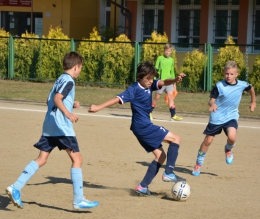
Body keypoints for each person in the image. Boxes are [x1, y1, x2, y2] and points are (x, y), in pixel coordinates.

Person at [6, 51, 99, 210]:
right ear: (76, 67)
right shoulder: (69, 81)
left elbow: (50, 100)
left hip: (49, 125)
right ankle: (78, 200)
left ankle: (15, 187)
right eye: (81, 67)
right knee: (78, 159)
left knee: (42, 159)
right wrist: (68, 113)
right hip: (62, 127)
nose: (80, 70)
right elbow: (57, 99)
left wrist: (71, 104)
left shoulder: (60, 79)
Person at [88, 61, 185, 196]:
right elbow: (117, 98)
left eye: (152, 78)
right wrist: (98, 107)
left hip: (140, 128)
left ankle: (143, 186)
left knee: (161, 156)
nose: (151, 81)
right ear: (140, 77)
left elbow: (164, 82)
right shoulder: (133, 89)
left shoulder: (149, 86)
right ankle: (168, 172)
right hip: (143, 126)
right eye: (148, 79)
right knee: (176, 138)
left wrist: (175, 80)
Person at [192, 60, 256, 176]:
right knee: (208, 140)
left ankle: (228, 149)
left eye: (231, 74)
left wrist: (253, 101)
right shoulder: (219, 86)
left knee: (232, 137)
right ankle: (198, 164)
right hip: (217, 116)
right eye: (227, 74)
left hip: (231, 115)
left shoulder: (242, 84)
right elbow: (211, 100)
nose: (229, 76)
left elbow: (251, 88)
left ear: (236, 74)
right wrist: (213, 104)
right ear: (223, 73)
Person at [150, 43, 183, 121]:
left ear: (171, 52)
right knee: (157, 97)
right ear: (164, 51)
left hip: (169, 82)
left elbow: (172, 71)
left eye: (169, 51)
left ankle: (173, 115)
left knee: (170, 97)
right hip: (161, 82)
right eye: (166, 51)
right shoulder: (160, 58)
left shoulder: (171, 60)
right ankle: (149, 112)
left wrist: (174, 82)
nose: (167, 52)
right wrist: (154, 80)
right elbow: (156, 69)